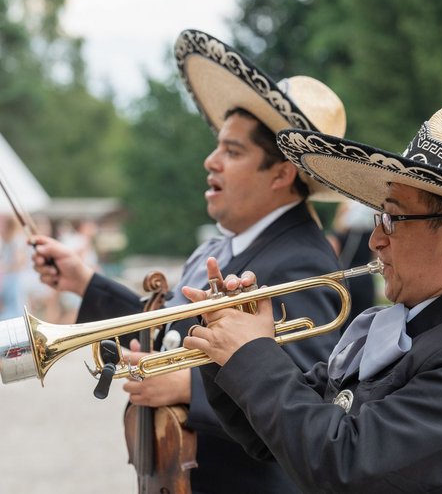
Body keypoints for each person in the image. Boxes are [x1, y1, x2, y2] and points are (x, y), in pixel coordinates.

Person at [31, 29, 348, 494]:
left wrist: (189, 388)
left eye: (232, 151)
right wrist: (84, 282)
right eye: (218, 145)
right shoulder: (221, 247)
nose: (210, 161)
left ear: (282, 173)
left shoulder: (303, 261)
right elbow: (169, 335)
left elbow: (310, 401)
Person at [183, 103, 442, 493]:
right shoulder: (403, 327)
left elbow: (347, 469)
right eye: (379, 218)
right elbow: (274, 438)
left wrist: (252, 353)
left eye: (392, 219)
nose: (376, 240)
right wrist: (223, 339)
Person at [327, 198, 376, 319]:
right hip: (365, 278)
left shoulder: (338, 235)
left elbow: (331, 256)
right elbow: (376, 256)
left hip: (345, 279)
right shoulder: (370, 234)